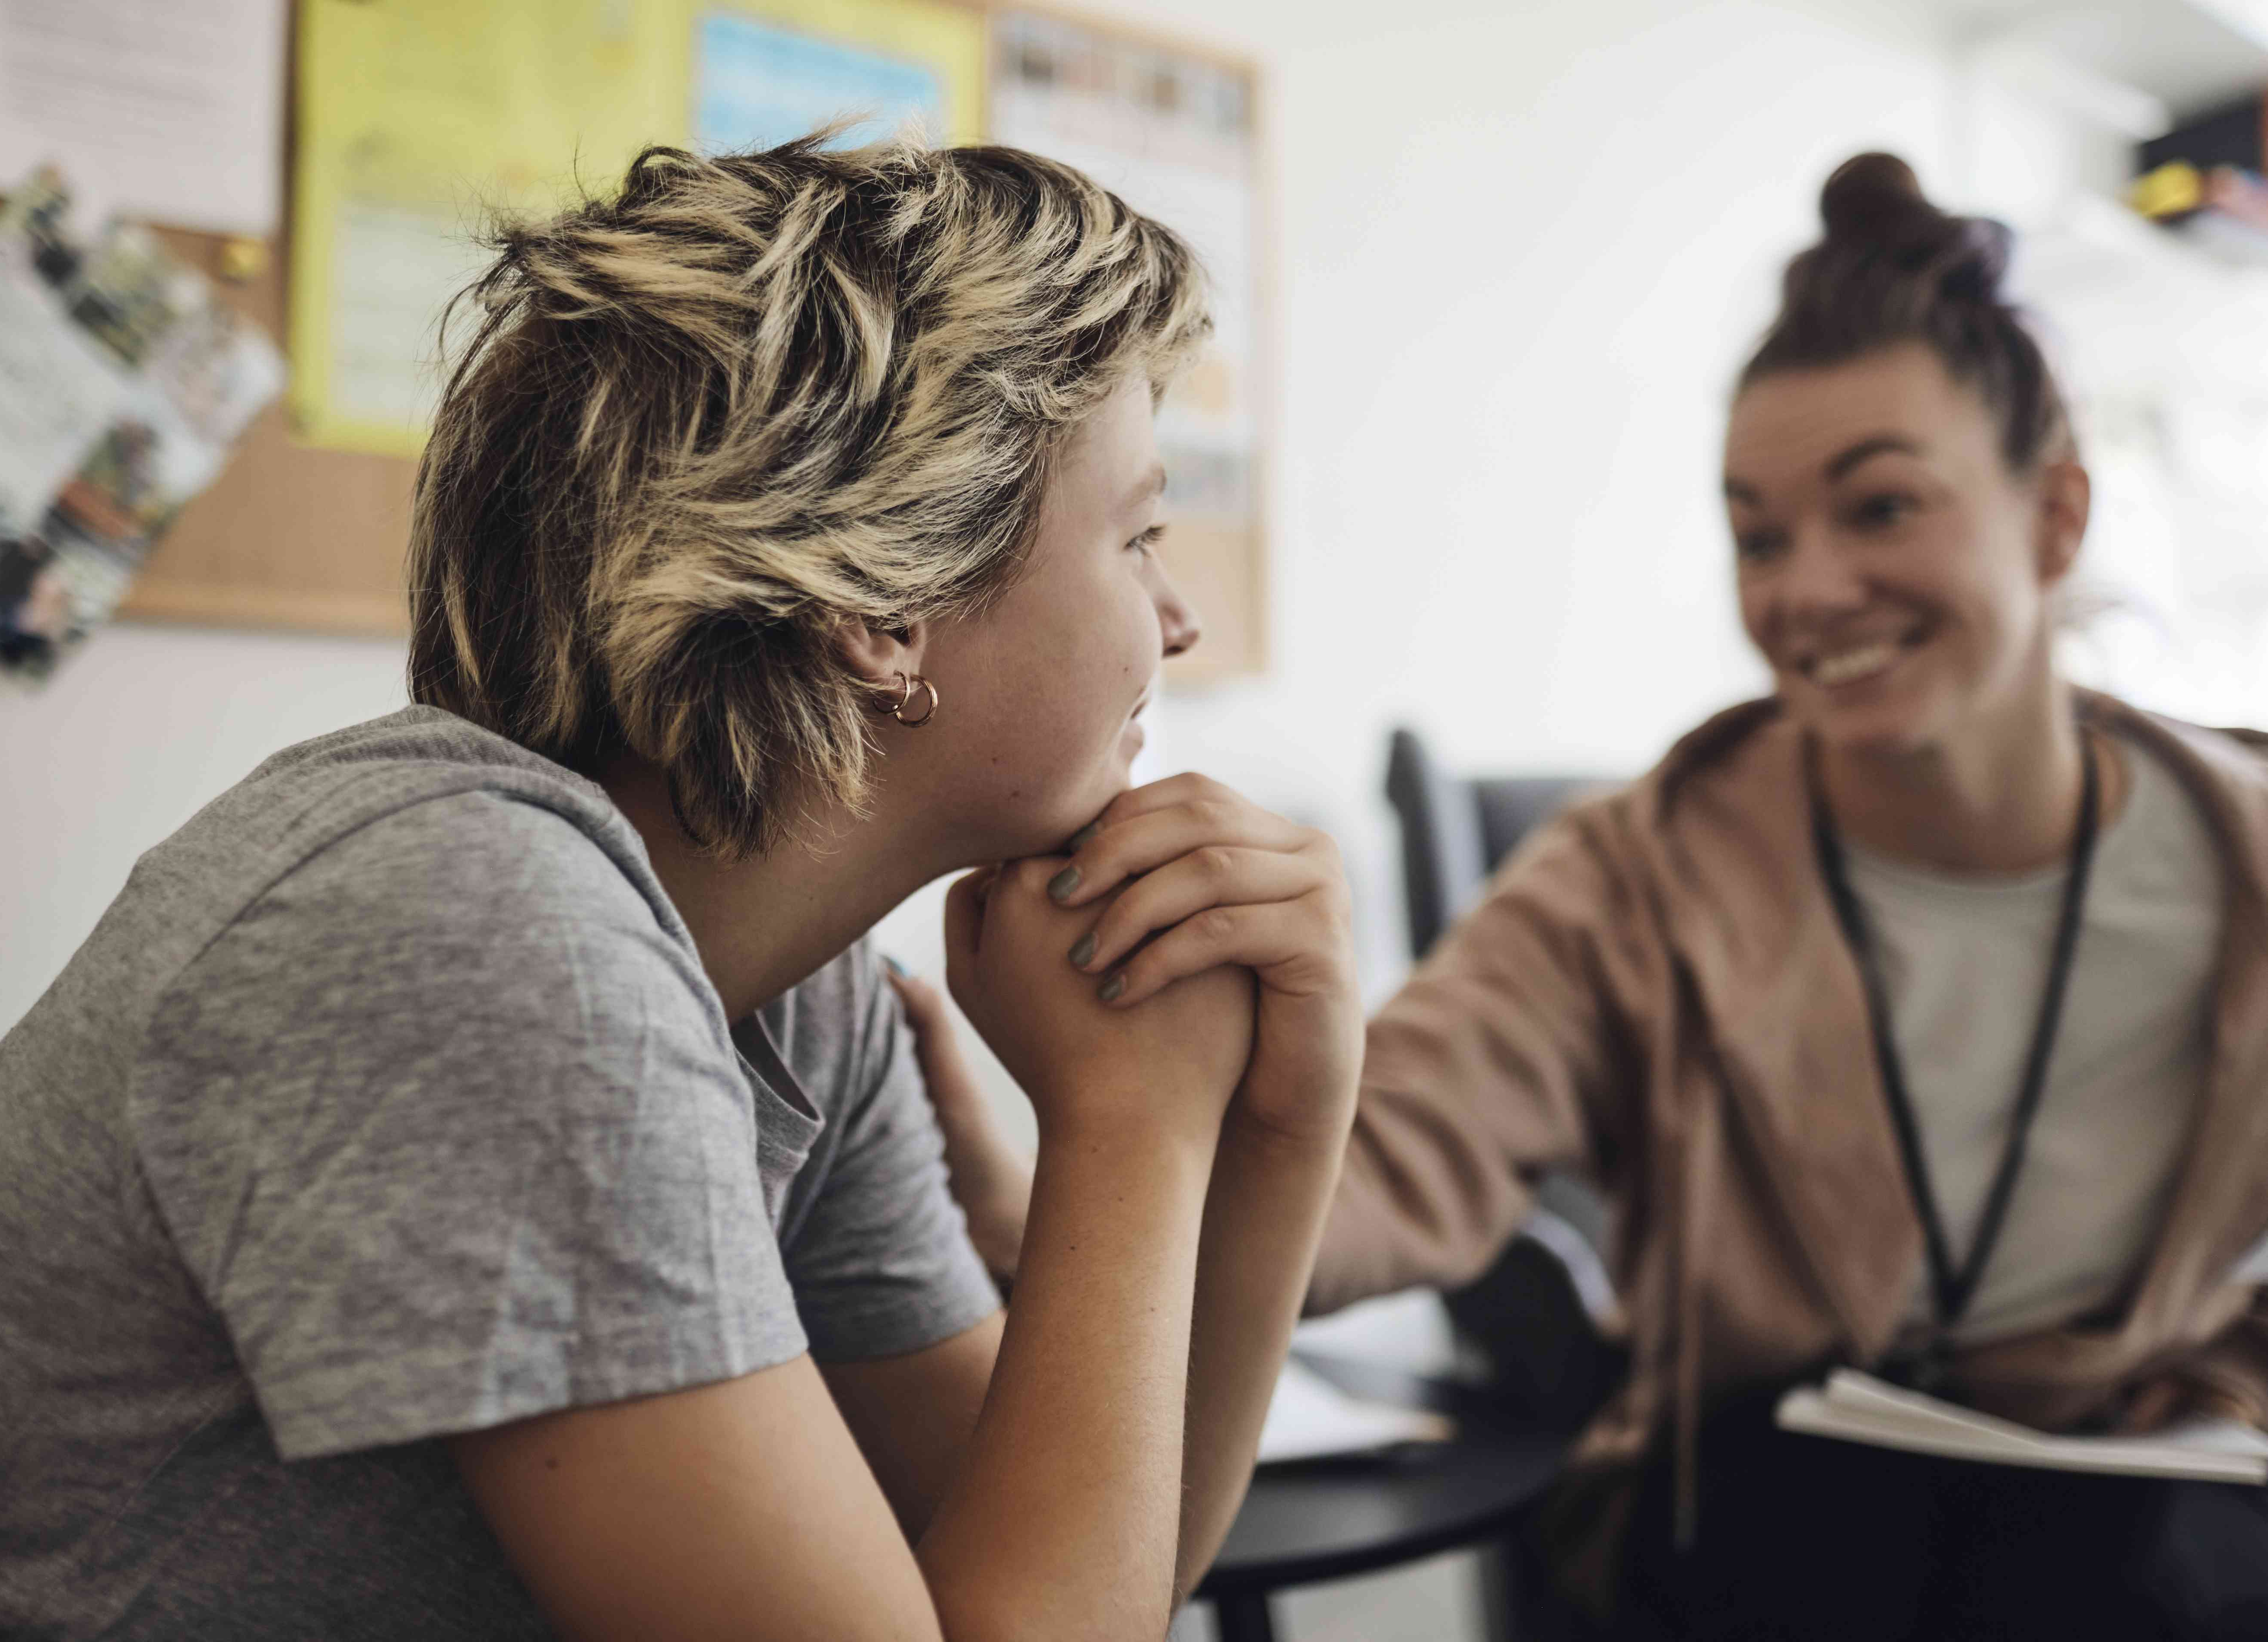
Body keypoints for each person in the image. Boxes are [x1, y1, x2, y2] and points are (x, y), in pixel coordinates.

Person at [0, 137, 1363, 1640]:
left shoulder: (791, 990)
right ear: (885, 606)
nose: (1176, 621)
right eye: (1140, 534)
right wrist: (1134, 1125)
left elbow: (1076, 1580)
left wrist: (1282, 1123)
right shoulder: (474, 923)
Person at [917, 154, 2268, 1639]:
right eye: (1759, 535)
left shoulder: (2241, 857)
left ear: (2055, 518)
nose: (1806, 590)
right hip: (1785, 1506)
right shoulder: (1641, 873)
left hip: (2166, 1504)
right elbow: (1395, 1151)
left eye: (1880, 509)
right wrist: (1074, 1198)